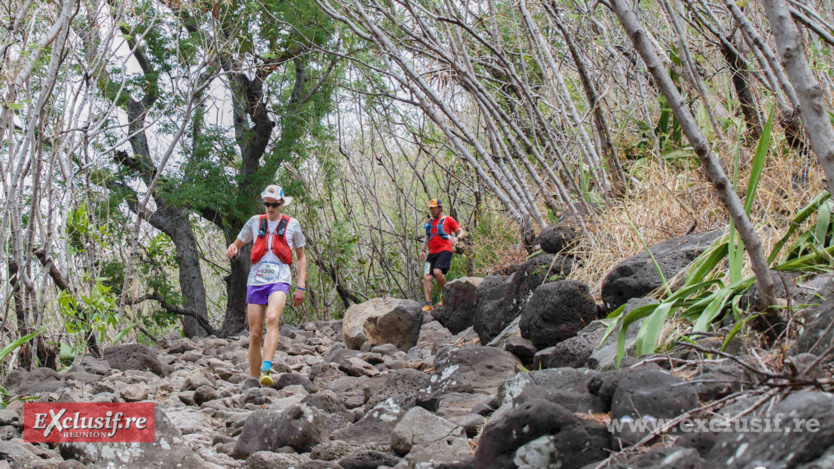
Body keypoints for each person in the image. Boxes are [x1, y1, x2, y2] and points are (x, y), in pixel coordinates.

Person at [225, 184, 307, 386]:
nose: (270, 209)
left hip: (280, 279)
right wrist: (233, 248)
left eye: (274, 205)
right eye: (267, 204)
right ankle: (254, 382)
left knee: (272, 318)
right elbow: (238, 243)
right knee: (254, 333)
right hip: (256, 280)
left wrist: (301, 285)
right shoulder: (254, 222)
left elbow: (301, 257)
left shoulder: (292, 225)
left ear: (281, 204)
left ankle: (266, 368)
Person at [419, 199, 466, 312]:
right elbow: (428, 236)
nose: (432, 210)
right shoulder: (430, 221)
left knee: (437, 272)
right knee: (426, 277)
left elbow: (461, 231)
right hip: (431, 253)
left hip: (445, 250)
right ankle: (428, 304)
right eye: (430, 208)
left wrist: (457, 238)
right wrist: (423, 250)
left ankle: (446, 296)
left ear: (440, 208)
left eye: (434, 208)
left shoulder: (447, 219)